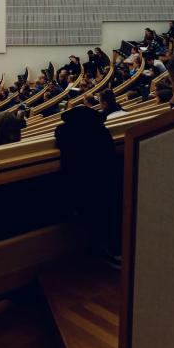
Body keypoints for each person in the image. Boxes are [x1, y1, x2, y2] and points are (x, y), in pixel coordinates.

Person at [55, 106, 123, 263]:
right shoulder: (102, 132)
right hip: (109, 184)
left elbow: (60, 133)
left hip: (84, 189)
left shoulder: (68, 134)